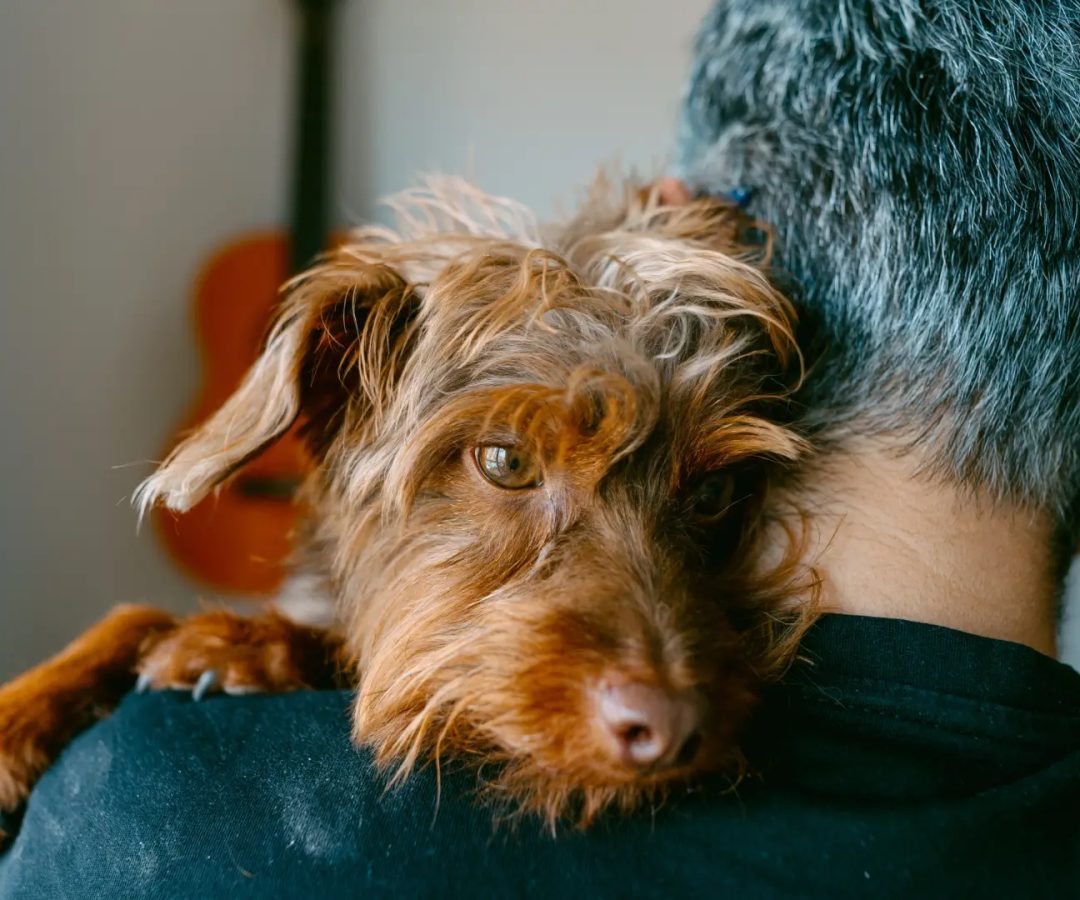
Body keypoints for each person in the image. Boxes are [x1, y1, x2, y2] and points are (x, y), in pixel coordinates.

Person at [2, 2, 1077, 896]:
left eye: (709, 504)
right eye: (511, 465)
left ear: (697, 219)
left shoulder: (149, 815)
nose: (660, 685)